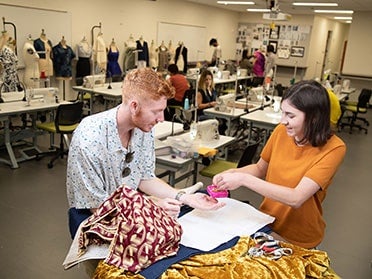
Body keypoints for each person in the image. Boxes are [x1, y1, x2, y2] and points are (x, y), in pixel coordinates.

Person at [66, 68, 224, 239]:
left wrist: (185, 197)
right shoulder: (89, 138)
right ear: (134, 106)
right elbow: (99, 208)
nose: (161, 118)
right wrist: (151, 207)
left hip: (129, 209)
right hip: (95, 219)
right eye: (156, 111)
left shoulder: (143, 129)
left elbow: (144, 177)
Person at [212, 80, 346, 249]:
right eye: (283, 113)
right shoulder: (281, 132)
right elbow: (260, 168)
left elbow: (296, 198)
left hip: (299, 236)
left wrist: (243, 180)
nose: (283, 121)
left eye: (291, 116)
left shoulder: (334, 148)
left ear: (313, 118)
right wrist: (231, 173)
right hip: (267, 223)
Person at [196, 69, 227, 135]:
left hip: (212, 111)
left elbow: (215, 100)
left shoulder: (212, 90)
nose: (208, 81)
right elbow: (198, 106)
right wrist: (209, 104)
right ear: (203, 80)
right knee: (217, 120)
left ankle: (221, 135)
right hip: (202, 114)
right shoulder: (200, 91)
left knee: (224, 119)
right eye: (206, 80)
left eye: (210, 79)